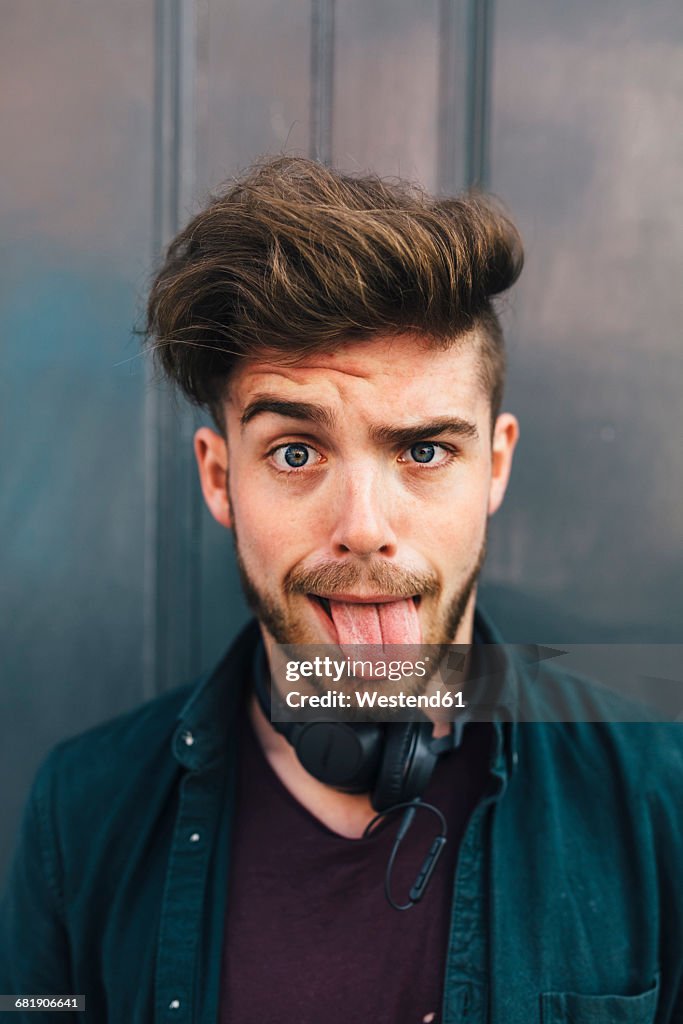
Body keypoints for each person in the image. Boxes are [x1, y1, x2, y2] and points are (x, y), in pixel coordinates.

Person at [1, 156, 681, 1023]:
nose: (362, 525)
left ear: (495, 466)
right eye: (295, 453)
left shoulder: (661, 787)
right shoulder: (83, 809)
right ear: (219, 479)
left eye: (424, 451)